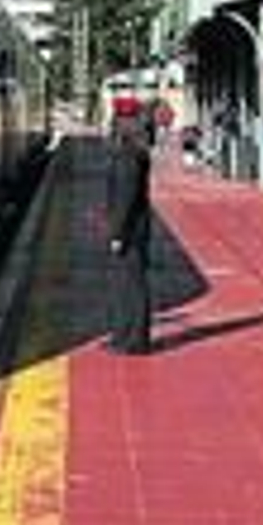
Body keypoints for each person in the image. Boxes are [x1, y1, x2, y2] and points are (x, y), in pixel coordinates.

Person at [102, 102, 154, 355]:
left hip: (130, 230)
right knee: (132, 282)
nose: (112, 123)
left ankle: (133, 340)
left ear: (124, 123)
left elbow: (125, 197)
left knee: (129, 285)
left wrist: (117, 234)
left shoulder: (127, 154)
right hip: (138, 227)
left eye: (116, 119)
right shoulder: (137, 150)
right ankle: (129, 336)